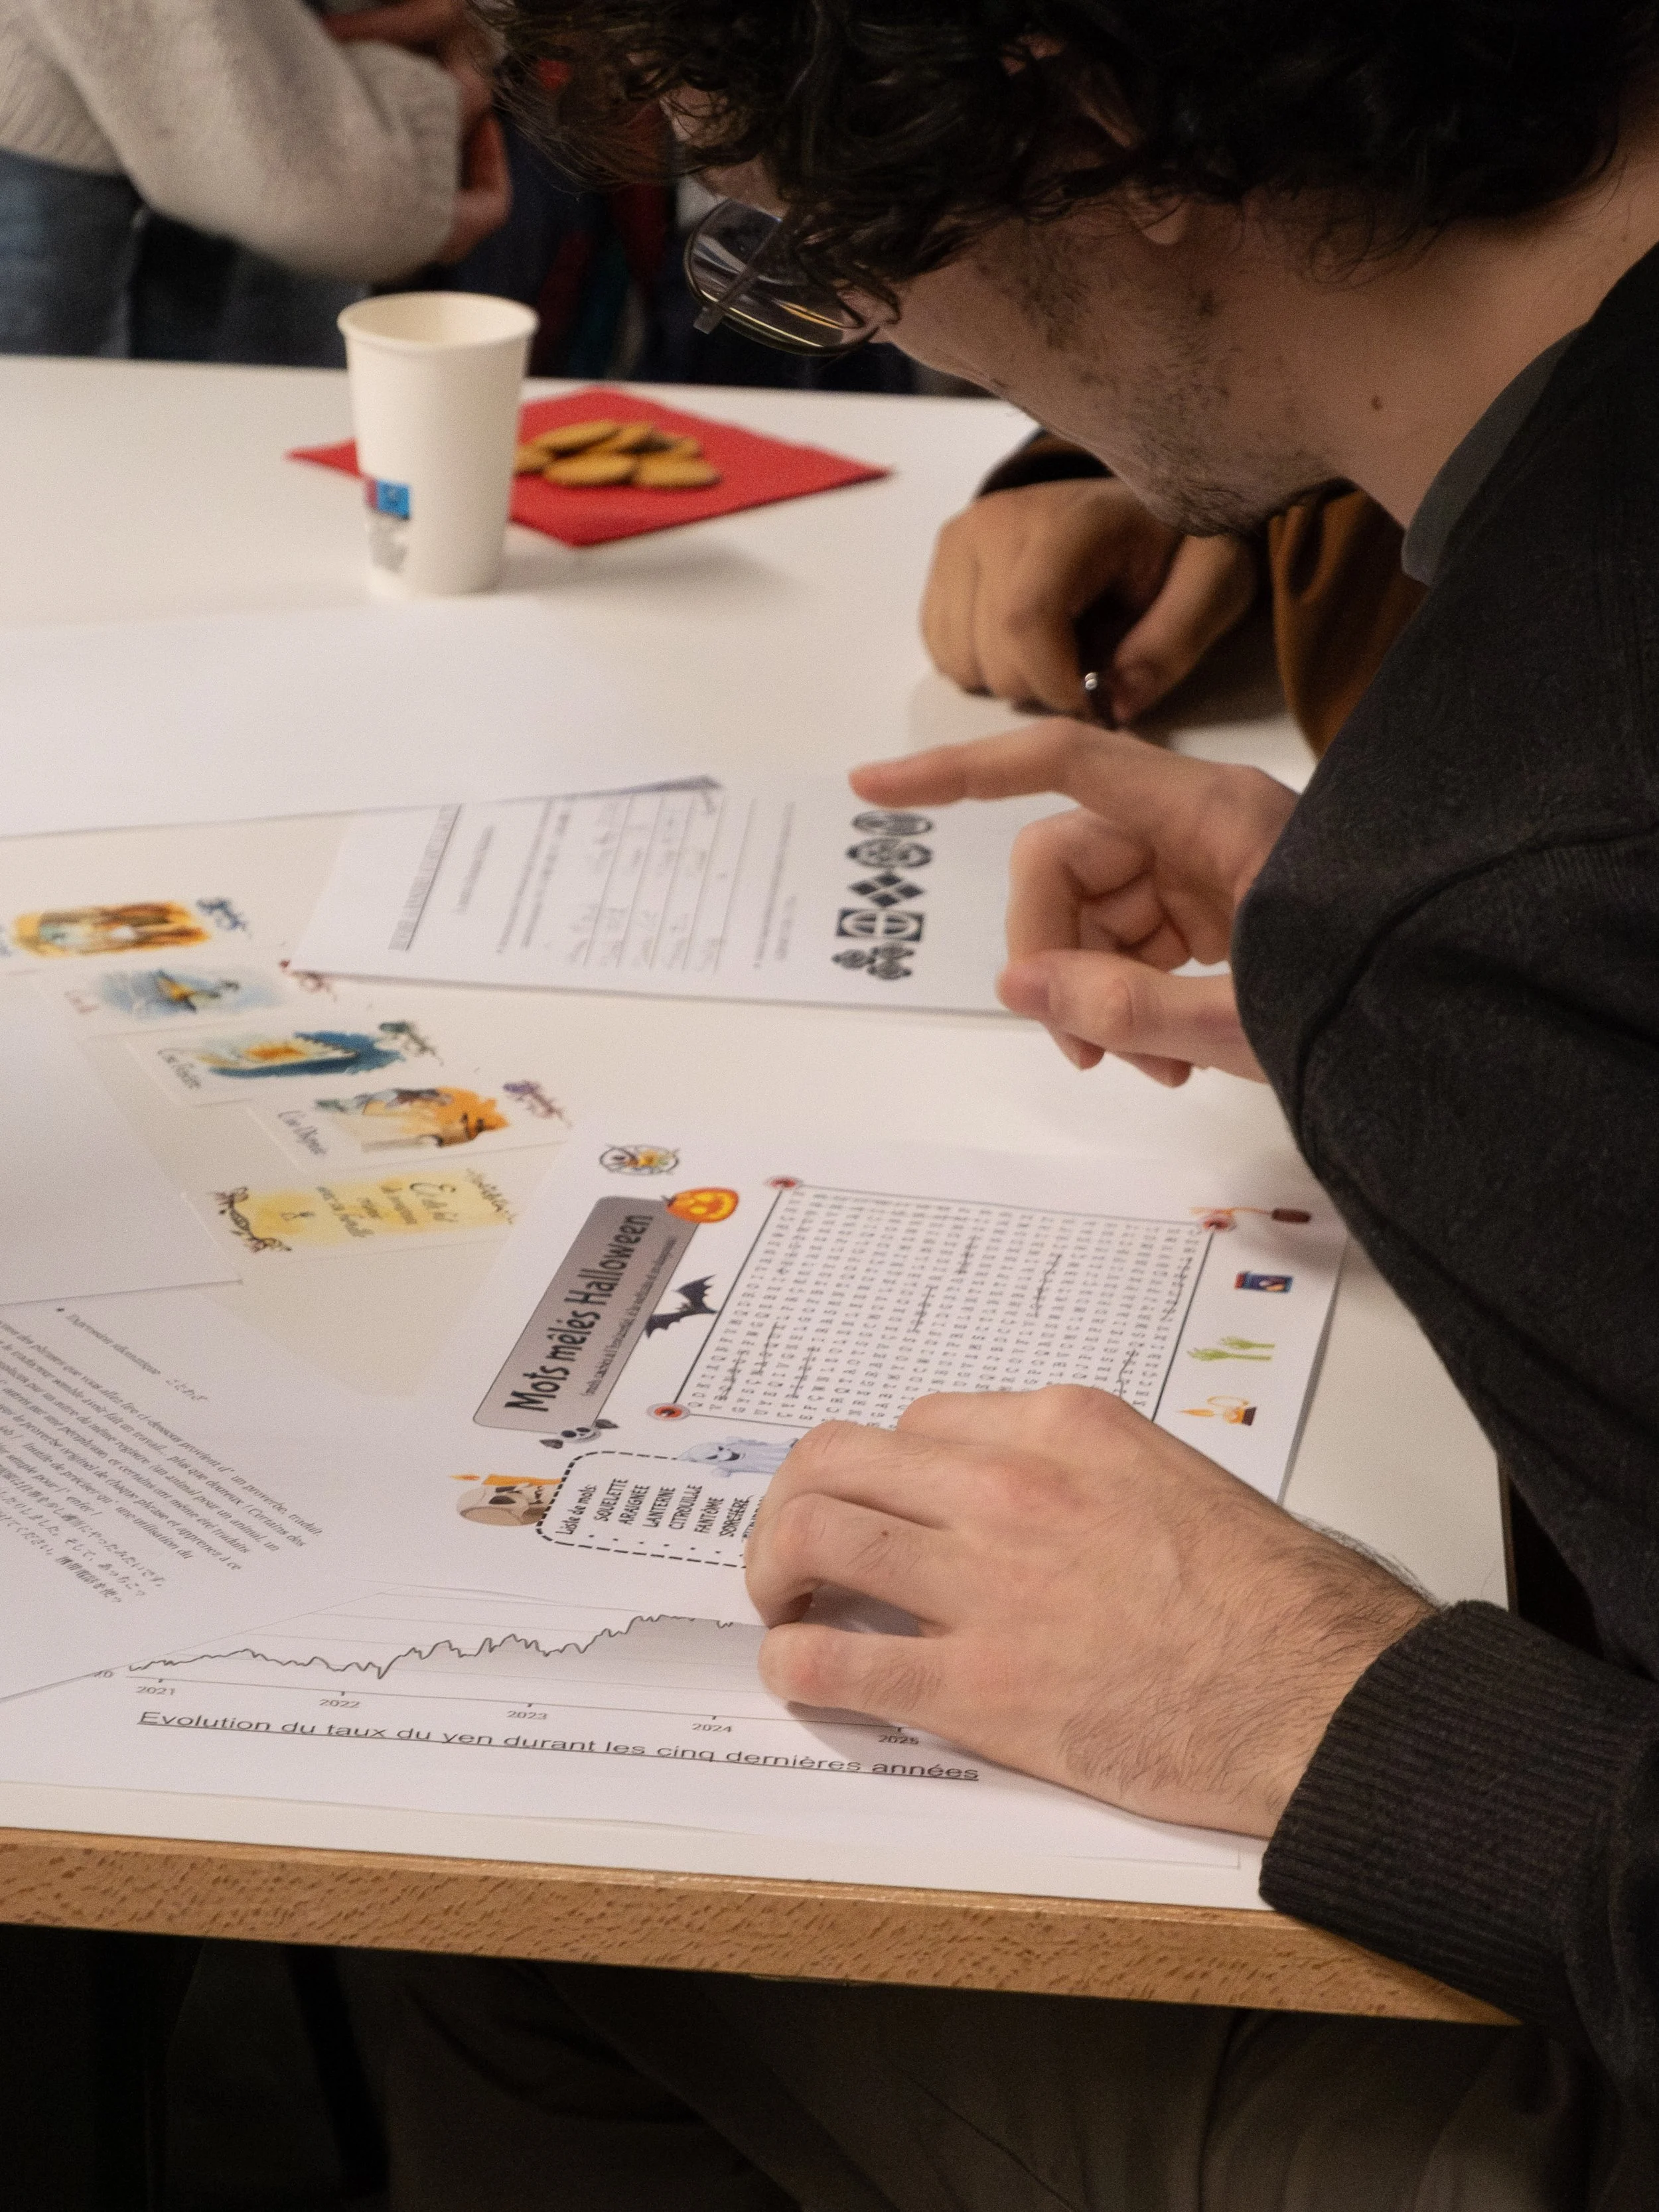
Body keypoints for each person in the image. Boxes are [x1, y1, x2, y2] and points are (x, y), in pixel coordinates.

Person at [376, 2, 1659, 2203]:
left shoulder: (1513, 851)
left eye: (818, 249)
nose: (902, 337)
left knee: (516, 1906)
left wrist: (1320, 1699)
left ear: (1075, 113)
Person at [0, 0, 508, 362]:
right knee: (43, 441)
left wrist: (476, 27)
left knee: (279, 441)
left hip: (346, 95)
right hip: (53, 91)